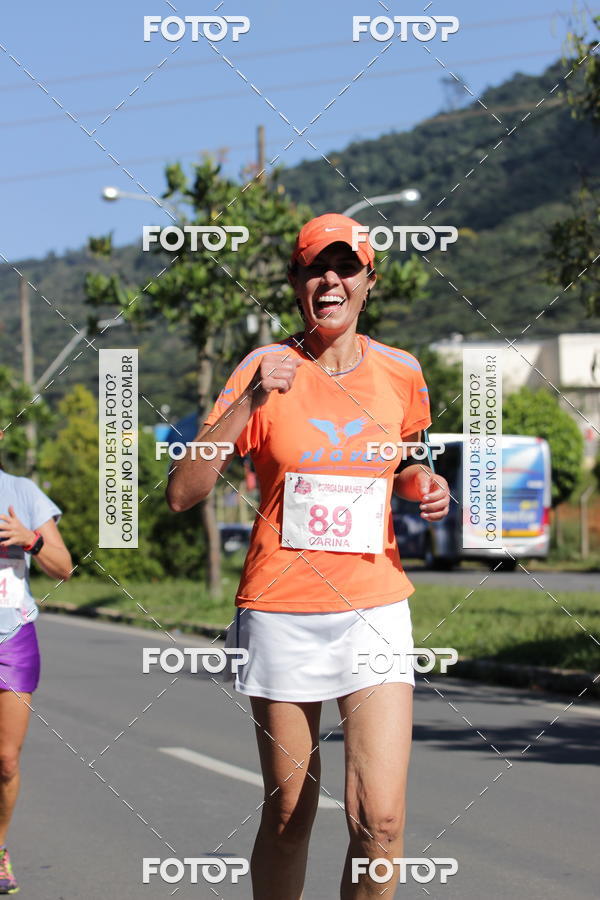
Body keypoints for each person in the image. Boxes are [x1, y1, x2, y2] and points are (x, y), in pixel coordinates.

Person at [167, 213, 450, 899]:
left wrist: (423, 485)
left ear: (367, 282)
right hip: (283, 607)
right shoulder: (262, 369)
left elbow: (403, 465)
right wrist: (251, 401)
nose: (331, 279)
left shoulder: (401, 373)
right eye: (315, 268)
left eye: (346, 267)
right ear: (297, 282)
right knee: (291, 814)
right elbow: (183, 491)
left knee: (379, 822)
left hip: (375, 605)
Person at [0, 430, 73, 894]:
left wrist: (31, 541)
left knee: (5, 760)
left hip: (11, 636)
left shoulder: (23, 492)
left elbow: (64, 567)